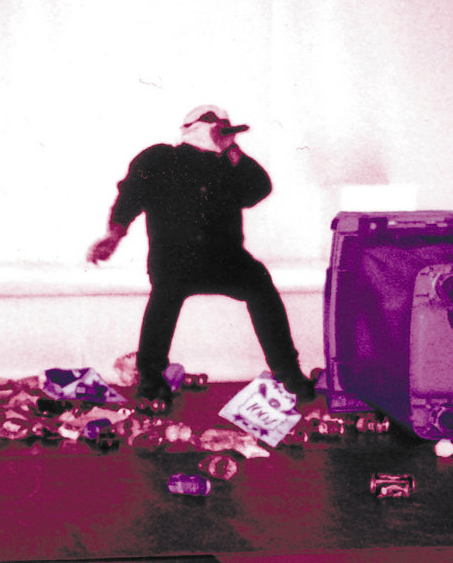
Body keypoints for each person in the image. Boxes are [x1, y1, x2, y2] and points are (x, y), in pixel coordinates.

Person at [89, 105, 316, 409]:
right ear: (191, 126)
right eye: (211, 120)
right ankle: (151, 379)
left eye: (224, 122)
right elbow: (131, 194)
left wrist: (231, 148)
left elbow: (259, 189)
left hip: (226, 258)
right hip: (175, 258)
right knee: (165, 296)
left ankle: (288, 373)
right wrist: (115, 234)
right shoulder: (159, 157)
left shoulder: (228, 163)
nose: (219, 126)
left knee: (260, 284)